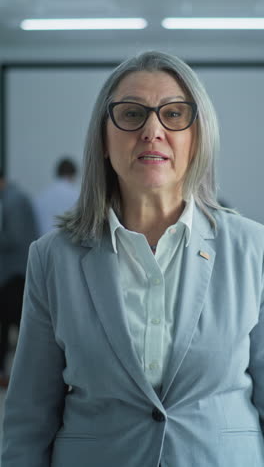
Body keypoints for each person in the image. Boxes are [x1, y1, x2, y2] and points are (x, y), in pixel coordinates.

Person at [1, 51, 264, 467]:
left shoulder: (253, 249)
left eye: (174, 114)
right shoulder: (53, 258)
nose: (152, 130)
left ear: (197, 137)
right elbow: (28, 419)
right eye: (131, 113)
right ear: (103, 140)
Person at [0, 170, 38, 387]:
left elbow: (14, 237)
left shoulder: (13, 201)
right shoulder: (16, 198)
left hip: (14, 273)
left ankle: (22, 375)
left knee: (17, 323)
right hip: (18, 271)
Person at [34, 157, 79, 236]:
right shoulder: (76, 195)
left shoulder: (42, 195)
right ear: (73, 175)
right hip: (66, 243)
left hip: (43, 243)